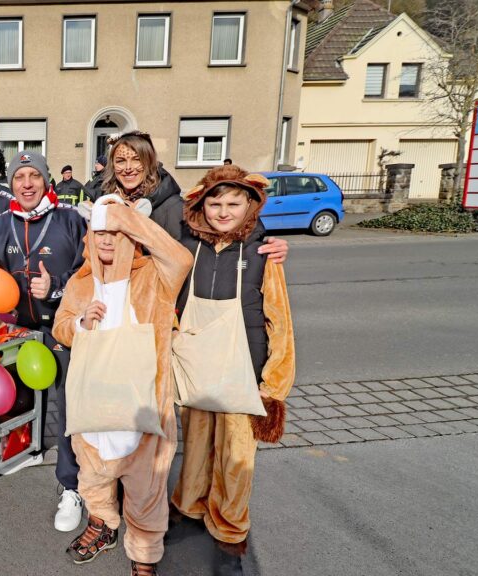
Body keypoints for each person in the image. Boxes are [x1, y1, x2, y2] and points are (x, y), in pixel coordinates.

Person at [52, 196, 193, 576]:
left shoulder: (154, 275)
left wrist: (128, 219)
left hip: (142, 407)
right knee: (94, 478)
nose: (108, 240)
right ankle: (102, 525)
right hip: (95, 407)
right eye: (101, 232)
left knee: (146, 489)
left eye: (117, 231)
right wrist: (81, 323)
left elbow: (182, 259)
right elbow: (60, 327)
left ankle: (144, 555)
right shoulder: (80, 283)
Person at [170, 165, 295, 576]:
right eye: (215, 202)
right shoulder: (189, 247)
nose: (223, 211)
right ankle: (189, 508)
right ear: (201, 205)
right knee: (197, 446)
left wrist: (273, 385)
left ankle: (229, 529)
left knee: (236, 457)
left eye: (233, 203)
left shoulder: (263, 250)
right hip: (198, 365)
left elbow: (280, 320)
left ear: (250, 205)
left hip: (246, 366)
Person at [0, 151, 88, 533]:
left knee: (68, 407)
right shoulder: (1, 223)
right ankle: (26, 448)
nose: (26, 183)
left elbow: (87, 273)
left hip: (61, 327)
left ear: (46, 181)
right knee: (23, 396)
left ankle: (70, 486)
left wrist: (56, 287)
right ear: (11, 184)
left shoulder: (70, 219)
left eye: (33, 175)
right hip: (19, 329)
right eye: (19, 177)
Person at [90, 131, 288, 261]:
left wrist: (263, 242)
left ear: (149, 162)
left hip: (159, 297)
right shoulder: (106, 201)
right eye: (121, 161)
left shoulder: (173, 205)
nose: (128, 168)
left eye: (136, 160)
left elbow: (219, 224)